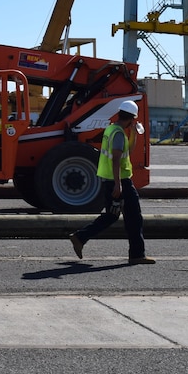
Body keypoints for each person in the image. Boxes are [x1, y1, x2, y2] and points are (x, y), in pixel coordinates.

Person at [68, 100, 155, 265]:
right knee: (134, 217)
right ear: (131, 118)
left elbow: (127, 151)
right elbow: (116, 159)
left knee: (112, 215)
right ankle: (137, 254)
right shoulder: (118, 134)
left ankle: (80, 237)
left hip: (111, 180)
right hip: (120, 181)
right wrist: (118, 184)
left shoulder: (112, 129)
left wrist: (134, 134)